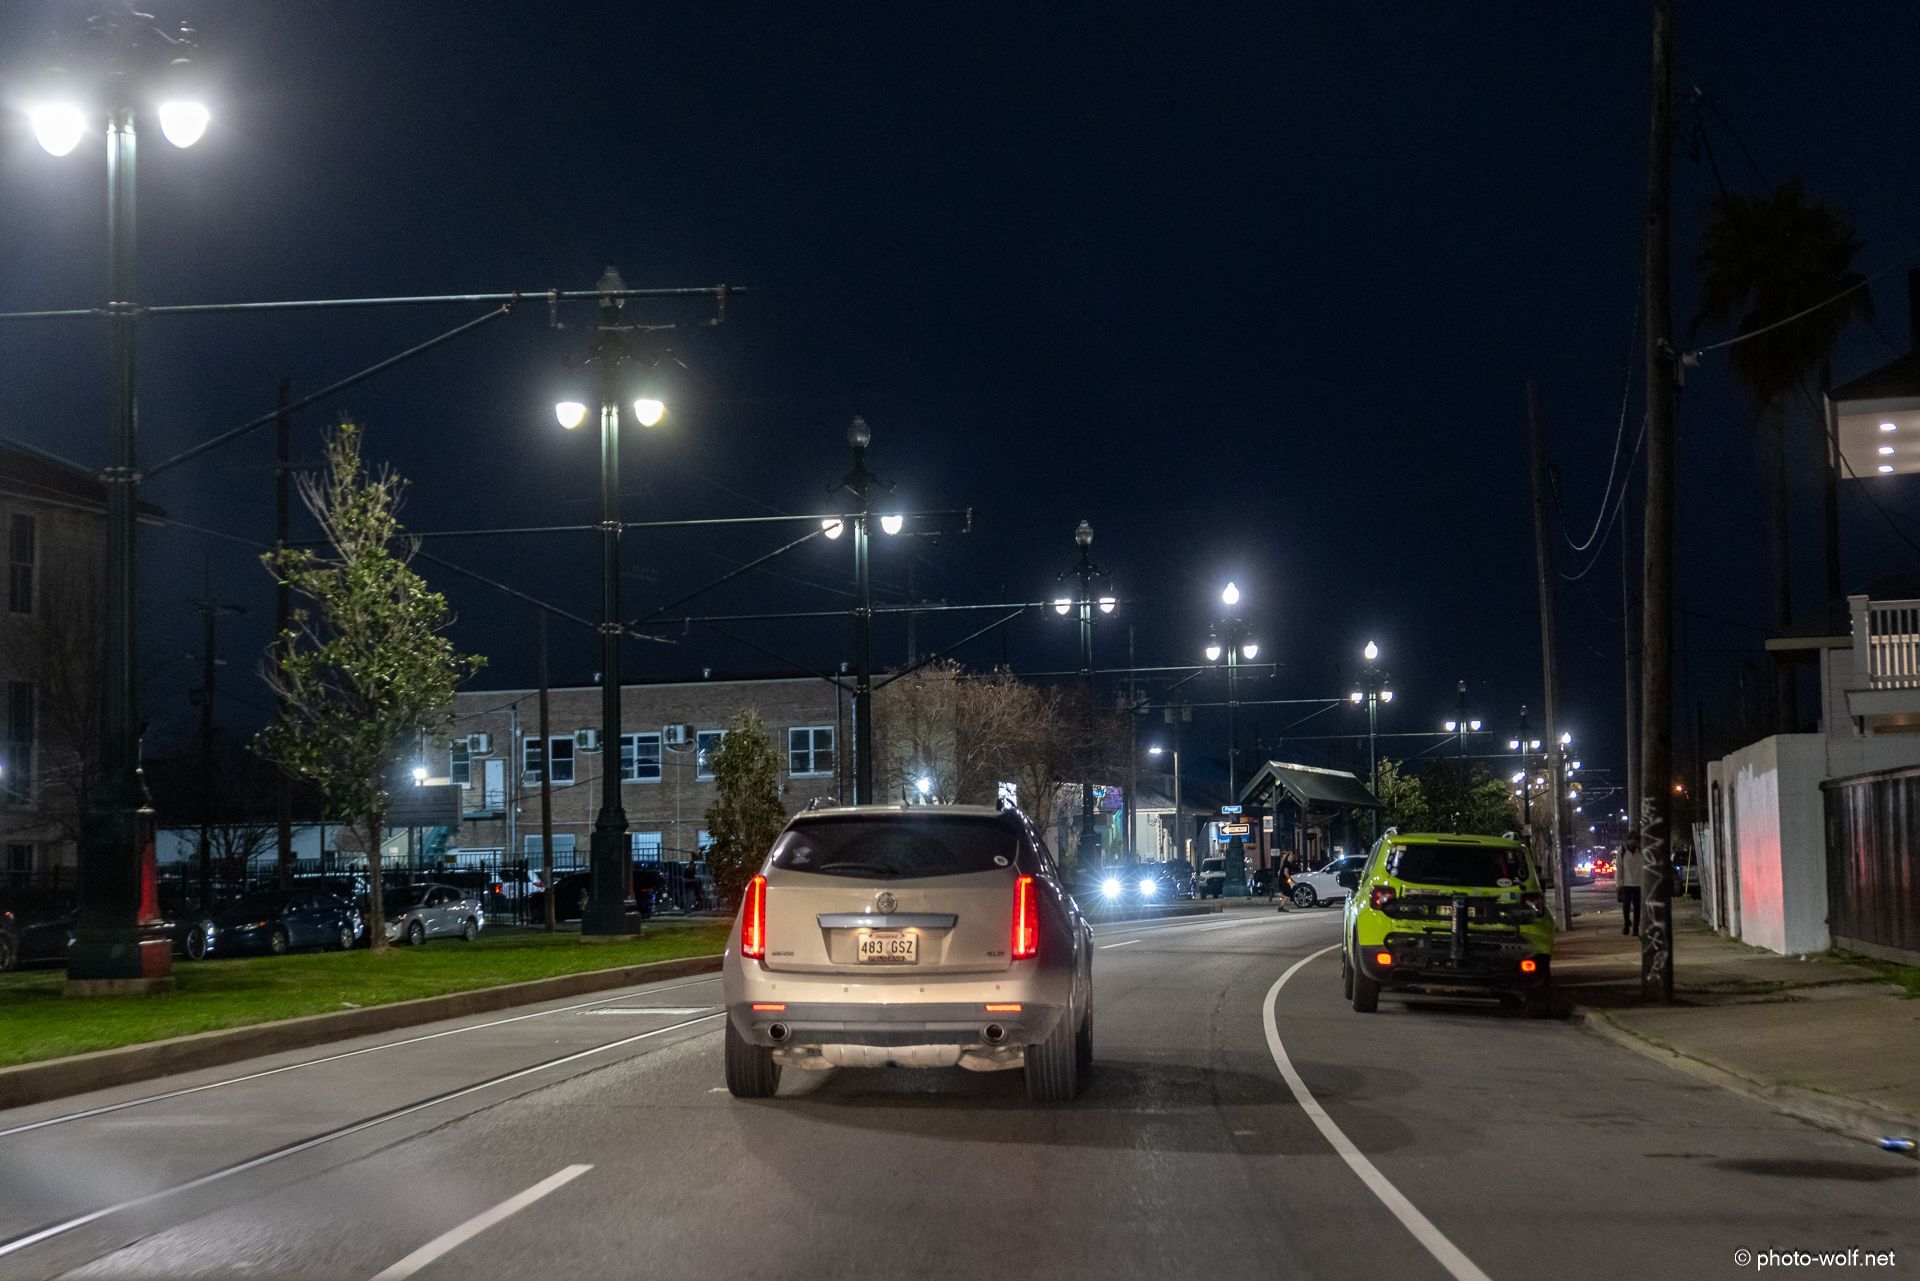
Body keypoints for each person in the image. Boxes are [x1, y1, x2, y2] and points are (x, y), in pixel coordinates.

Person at [1617, 867, 1641, 936]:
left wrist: (1618, 884)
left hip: (1632, 883)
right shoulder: (1622, 855)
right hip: (1633, 883)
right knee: (1632, 906)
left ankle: (1631, 928)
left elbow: (1619, 869)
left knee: (1630, 906)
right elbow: (1619, 869)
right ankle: (1631, 927)